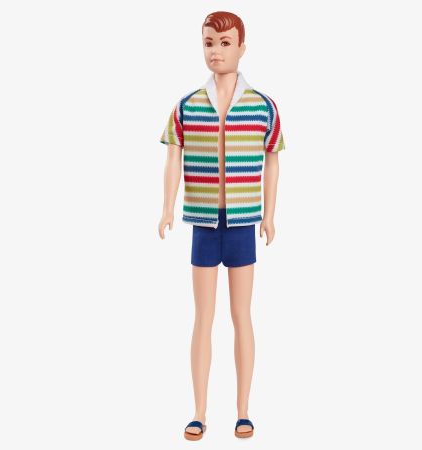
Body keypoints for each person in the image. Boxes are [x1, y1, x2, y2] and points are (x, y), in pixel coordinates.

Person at [158, 10, 285, 440]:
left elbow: (273, 159)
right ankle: (198, 411)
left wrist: (269, 214)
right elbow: (172, 156)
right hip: (203, 224)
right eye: (209, 42)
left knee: (242, 315)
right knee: (203, 317)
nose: (216, 51)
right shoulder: (187, 106)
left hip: (243, 223)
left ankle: (244, 410)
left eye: (225, 43)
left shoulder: (262, 106)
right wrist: (167, 207)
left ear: (242, 48)